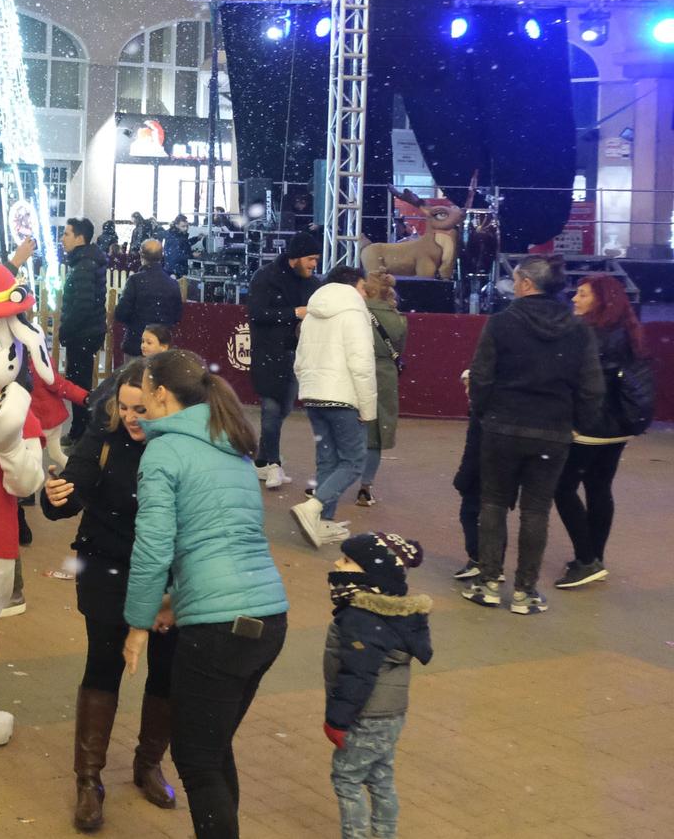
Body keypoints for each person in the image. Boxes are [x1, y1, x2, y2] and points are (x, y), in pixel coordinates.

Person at [123, 348, 289, 839]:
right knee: (213, 750)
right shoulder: (229, 442)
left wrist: (137, 624)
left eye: (146, 389)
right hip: (268, 617)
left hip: (219, 632)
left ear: (158, 393)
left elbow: (154, 548)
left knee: (195, 760)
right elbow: (228, 536)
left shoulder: (165, 450)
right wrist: (176, 599)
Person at [40, 359, 179, 831]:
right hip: (106, 568)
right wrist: (56, 496)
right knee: (103, 666)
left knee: (167, 670)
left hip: (167, 578)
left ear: (164, 401)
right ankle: (88, 781)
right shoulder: (101, 440)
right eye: (124, 407)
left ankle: (147, 765)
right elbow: (72, 492)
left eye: (141, 407)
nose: (132, 416)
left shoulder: (181, 448)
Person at [460, 256, 603, 614]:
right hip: (552, 432)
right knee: (536, 511)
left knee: (493, 504)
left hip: (502, 428)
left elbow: (481, 377)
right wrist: (579, 423)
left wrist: (484, 413)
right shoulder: (577, 329)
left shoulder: (501, 323)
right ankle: (525, 592)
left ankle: (490, 582)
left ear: (525, 284)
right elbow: (591, 387)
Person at [323, 533, 431, 839]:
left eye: (347, 561)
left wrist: (337, 721)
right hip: (392, 714)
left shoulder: (360, 618)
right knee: (381, 777)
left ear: (371, 574)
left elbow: (358, 674)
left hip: (365, 715)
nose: (337, 564)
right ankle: (385, 834)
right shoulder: (401, 615)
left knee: (347, 779)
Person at [554, 274, 652, 590]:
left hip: (590, 427)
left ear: (600, 299)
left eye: (582, 294)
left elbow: (580, 384)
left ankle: (586, 559)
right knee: (599, 489)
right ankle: (595, 556)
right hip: (620, 425)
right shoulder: (627, 330)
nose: (574, 299)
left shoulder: (587, 335)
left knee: (563, 488)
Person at [289, 265, 377, 550]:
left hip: (314, 396)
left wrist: (308, 387)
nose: (365, 295)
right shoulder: (355, 315)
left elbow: (300, 359)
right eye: (363, 288)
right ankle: (313, 507)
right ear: (352, 286)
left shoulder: (313, 312)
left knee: (327, 459)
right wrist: (367, 409)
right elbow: (362, 366)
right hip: (342, 397)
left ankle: (322, 521)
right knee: (354, 462)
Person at [246, 233, 322, 488]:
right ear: (295, 258)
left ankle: (261, 461)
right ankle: (273, 463)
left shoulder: (313, 284)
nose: (314, 264)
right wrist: (293, 313)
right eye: (311, 259)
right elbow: (256, 313)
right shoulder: (265, 277)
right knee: (271, 409)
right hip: (268, 355)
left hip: (296, 357)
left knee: (283, 409)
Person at [358, 272, 407, 508]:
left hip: (357, 371)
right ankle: (365, 487)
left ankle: (332, 479)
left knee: (348, 426)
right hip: (385, 377)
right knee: (376, 434)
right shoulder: (398, 320)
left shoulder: (357, 314)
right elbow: (399, 350)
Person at [58, 218, 106, 441]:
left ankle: (81, 431)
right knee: (80, 381)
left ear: (80, 238)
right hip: (87, 332)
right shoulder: (85, 261)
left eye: (66, 234)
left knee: (79, 384)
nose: (62, 239)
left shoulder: (85, 265)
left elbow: (82, 306)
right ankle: (81, 429)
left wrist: (66, 330)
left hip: (83, 334)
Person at [112, 239, 184, 357]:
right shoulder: (172, 283)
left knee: (134, 374)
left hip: (137, 343)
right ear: (162, 256)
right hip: (161, 346)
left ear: (141, 256)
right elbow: (177, 316)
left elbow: (121, 313)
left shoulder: (135, 281)